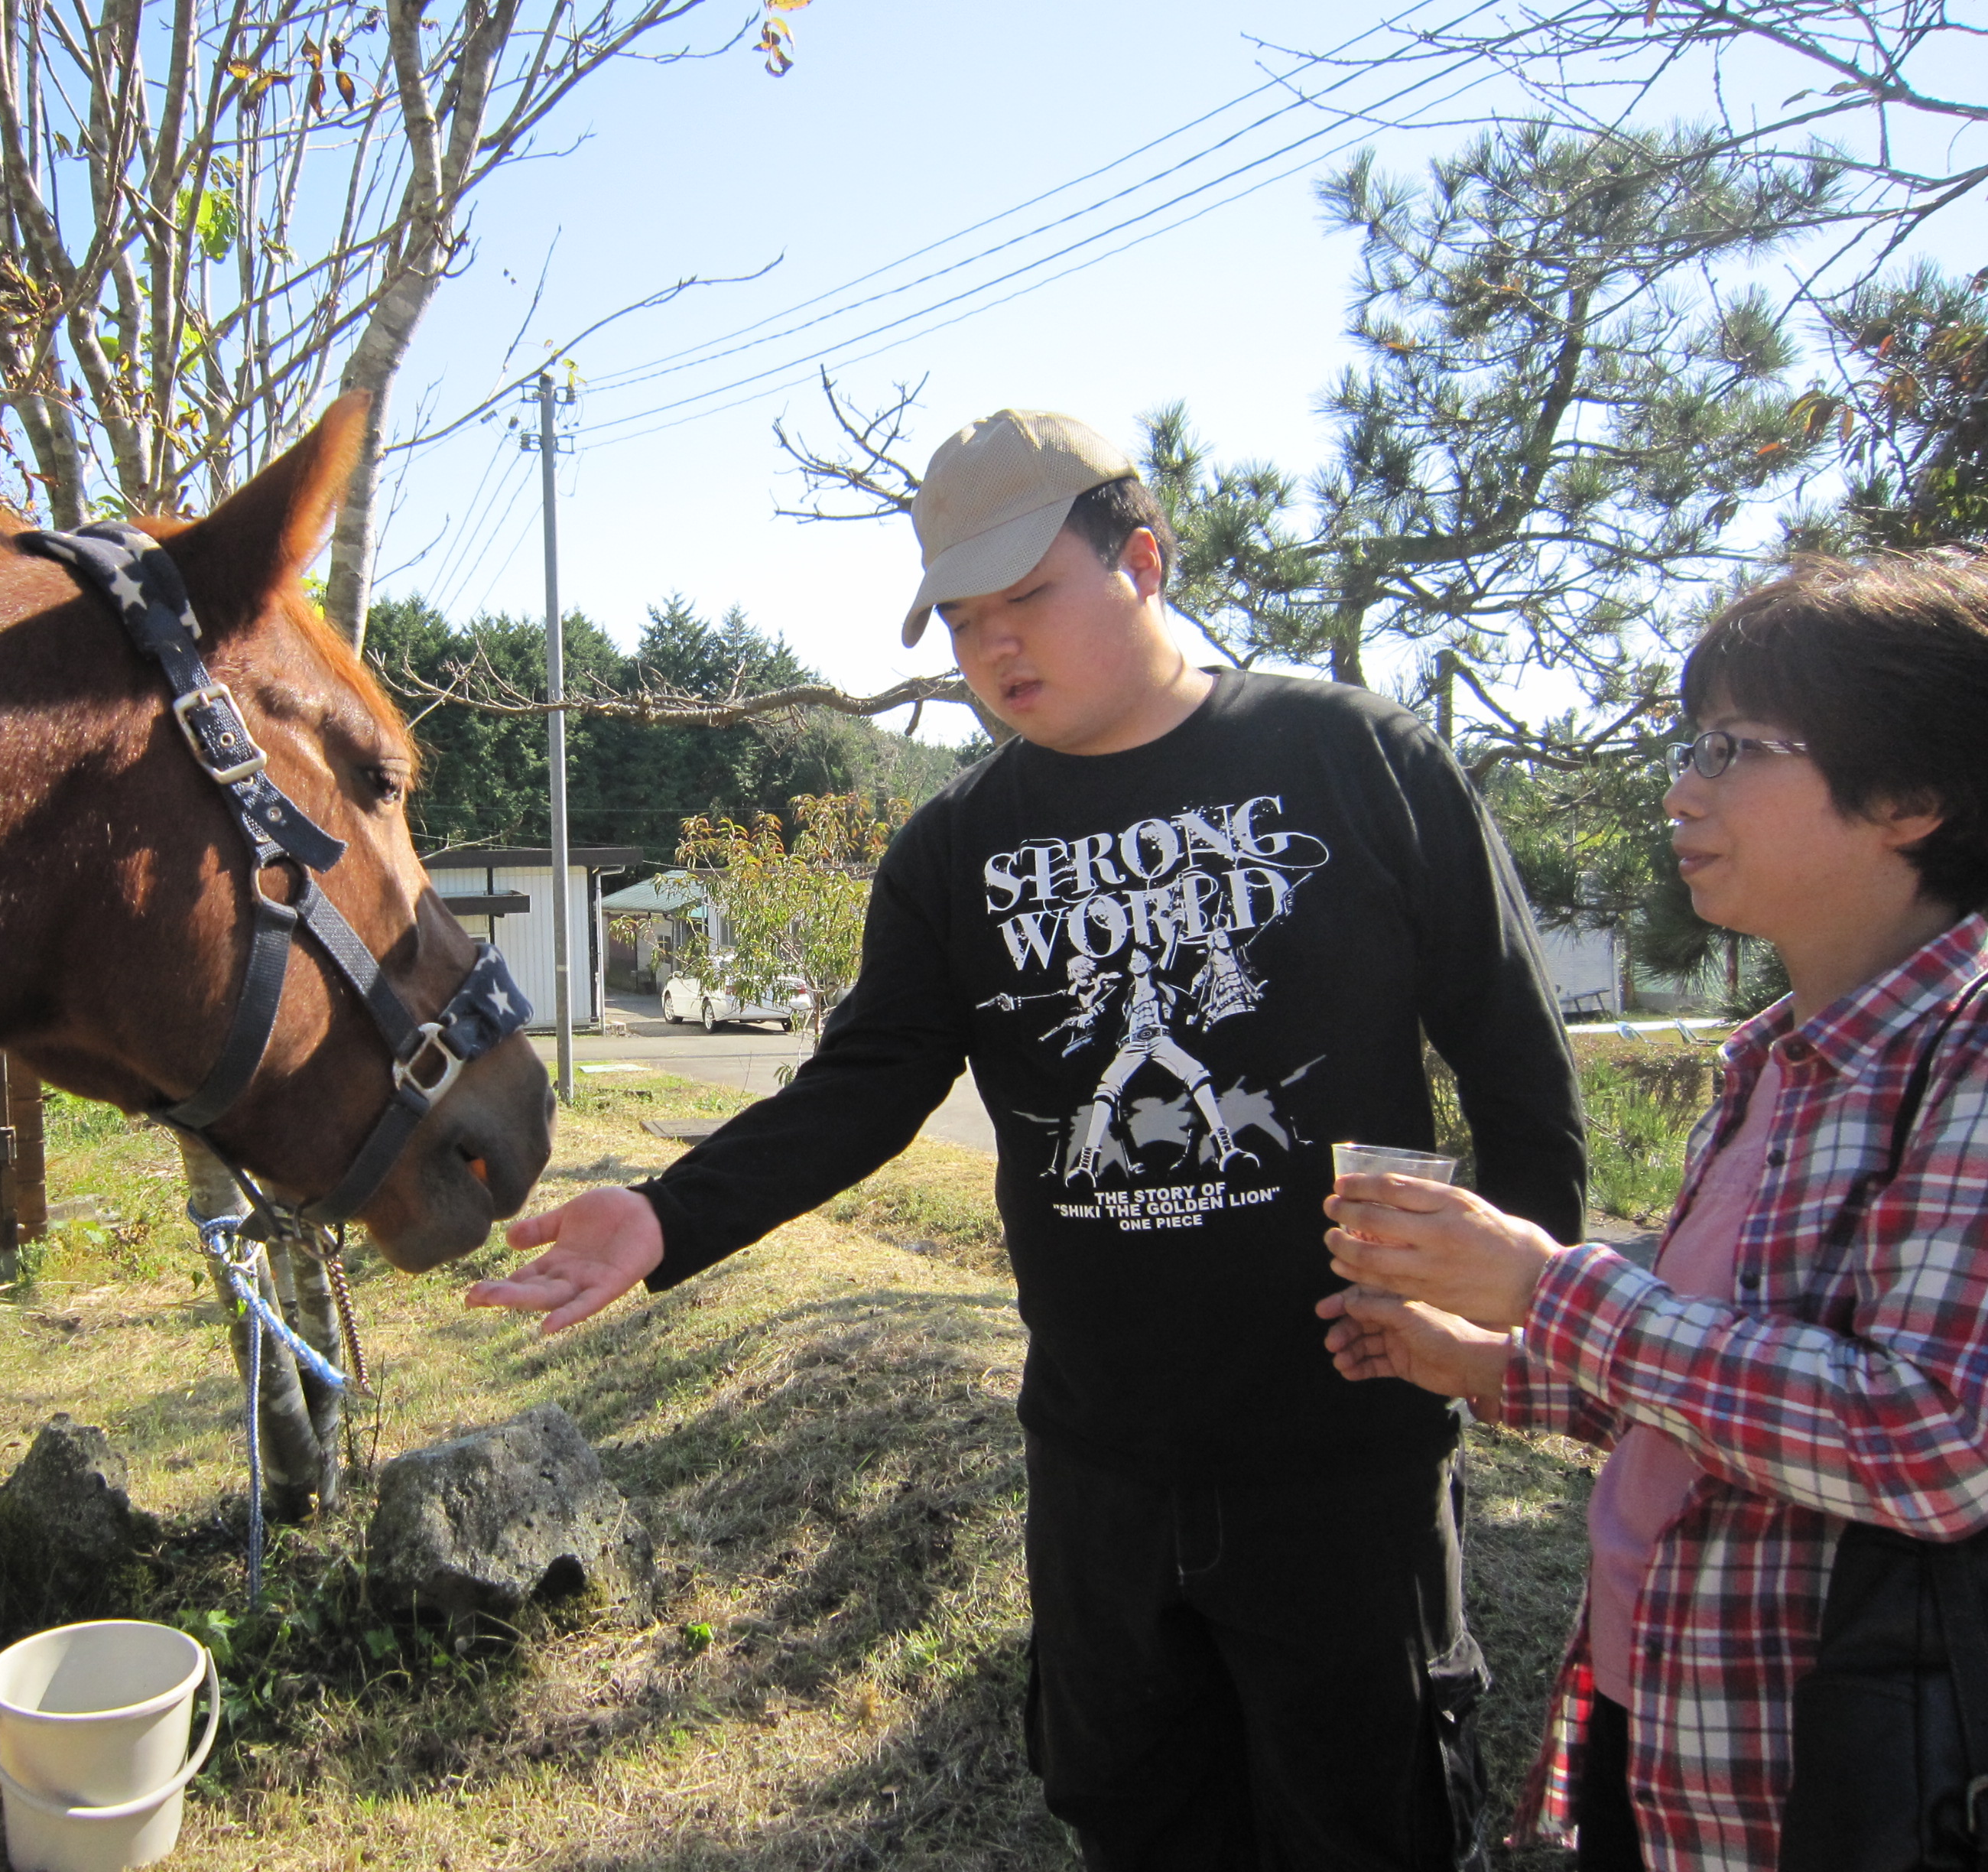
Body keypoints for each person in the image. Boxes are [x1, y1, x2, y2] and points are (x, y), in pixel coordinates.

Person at [469, 408, 1586, 1870]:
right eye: (963, 621)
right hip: (1100, 1467)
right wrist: (672, 1214)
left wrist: (1516, 1340)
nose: (993, 651)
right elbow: (864, 1088)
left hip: (1344, 1451)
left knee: (1363, 1824)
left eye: (1027, 601)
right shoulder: (959, 844)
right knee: (1133, 1819)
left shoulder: (1356, 762)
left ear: (1143, 559)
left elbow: (1520, 1070)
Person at [1315, 550, 1988, 1871]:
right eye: (1693, 746)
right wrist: (1497, 1367)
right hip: (1664, 1726)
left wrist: (1549, 1292)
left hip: (1837, 1789)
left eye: (1736, 750)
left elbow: (1934, 1438)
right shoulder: (1775, 1064)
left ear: (1911, 796)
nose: (1681, 790)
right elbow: (1729, 1402)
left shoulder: (1965, 1054)